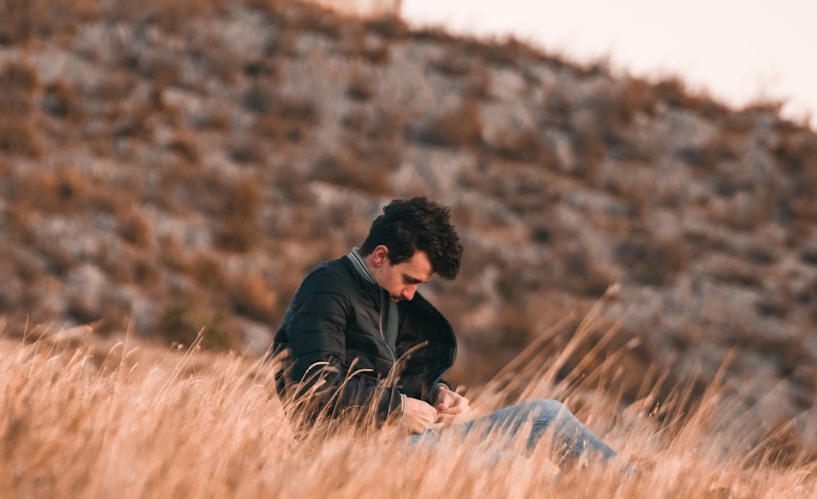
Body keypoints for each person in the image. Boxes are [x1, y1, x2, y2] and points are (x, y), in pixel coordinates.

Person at [271, 196, 632, 472]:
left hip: (409, 442)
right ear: (380, 256)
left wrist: (438, 392)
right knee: (518, 469)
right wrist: (396, 408)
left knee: (547, 415)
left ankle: (634, 488)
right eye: (410, 279)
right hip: (352, 455)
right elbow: (314, 383)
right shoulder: (327, 287)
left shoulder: (388, 298)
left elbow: (393, 376)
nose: (412, 293)